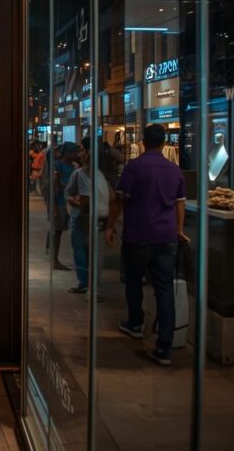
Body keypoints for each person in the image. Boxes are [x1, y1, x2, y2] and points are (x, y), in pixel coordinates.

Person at [104, 124, 188, 367]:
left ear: (143, 142)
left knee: (133, 280)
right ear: (163, 143)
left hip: (138, 236)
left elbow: (119, 200)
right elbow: (179, 204)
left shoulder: (134, 167)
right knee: (164, 289)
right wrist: (179, 230)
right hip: (166, 238)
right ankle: (164, 347)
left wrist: (110, 226)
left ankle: (136, 323)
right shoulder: (174, 170)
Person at [64, 138, 111, 295]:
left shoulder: (81, 173)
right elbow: (112, 196)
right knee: (95, 253)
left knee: (81, 250)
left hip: (84, 217)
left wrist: (74, 200)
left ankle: (85, 283)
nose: (80, 153)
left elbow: (81, 197)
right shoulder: (103, 174)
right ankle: (93, 285)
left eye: (82, 150)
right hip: (101, 218)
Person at [48, 144, 76, 271]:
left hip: (70, 202)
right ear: (66, 153)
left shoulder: (73, 166)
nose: (75, 154)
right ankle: (54, 260)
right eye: (73, 152)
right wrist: (53, 205)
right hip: (59, 201)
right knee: (57, 231)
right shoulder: (57, 165)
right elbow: (55, 185)